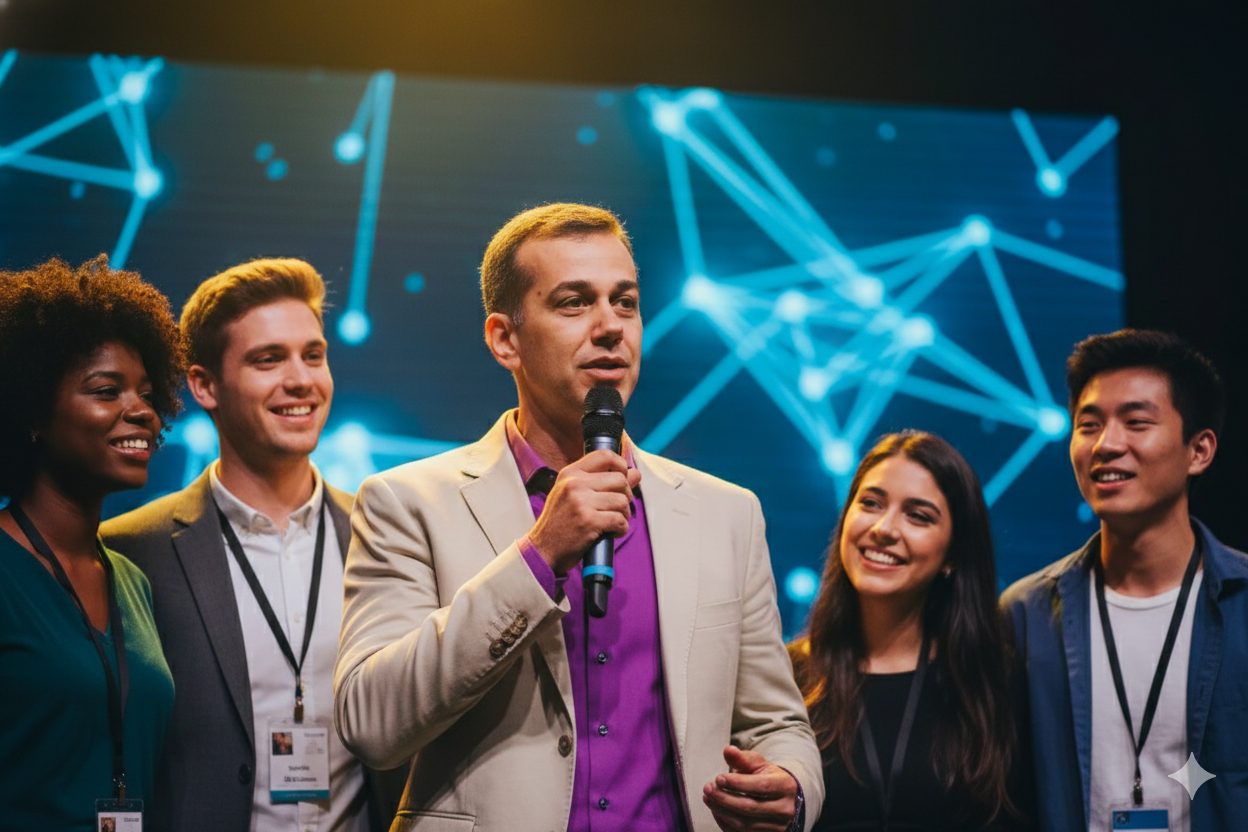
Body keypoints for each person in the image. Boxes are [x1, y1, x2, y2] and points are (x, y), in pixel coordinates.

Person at [333, 203, 823, 831]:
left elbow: (776, 724)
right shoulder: (407, 502)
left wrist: (793, 786)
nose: (610, 327)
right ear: (504, 339)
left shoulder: (727, 514)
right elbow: (371, 723)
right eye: (573, 302)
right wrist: (537, 556)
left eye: (625, 302)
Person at [101, 258, 402, 832]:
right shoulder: (131, 550)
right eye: (269, 359)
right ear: (205, 385)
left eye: (313, 355)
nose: (300, 379)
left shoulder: (388, 533)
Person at [1002, 329, 1247, 831]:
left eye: (1136, 423)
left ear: (1199, 451)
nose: (1107, 445)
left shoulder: (1242, 600)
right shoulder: (1025, 615)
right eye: (1088, 425)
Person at [0, 255, 182, 831]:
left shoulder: (132, 581)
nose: (142, 412)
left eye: (148, 394)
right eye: (107, 391)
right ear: (33, 412)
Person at [790, 431, 1028, 831]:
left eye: (918, 516)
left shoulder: (995, 681)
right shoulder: (787, 676)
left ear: (953, 553)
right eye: (870, 503)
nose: (884, 528)